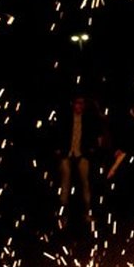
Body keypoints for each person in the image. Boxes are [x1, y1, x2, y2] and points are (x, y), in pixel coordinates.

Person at [54, 94, 102, 229]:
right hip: (67, 154)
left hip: (82, 153)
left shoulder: (88, 119)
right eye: (77, 103)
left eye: (82, 104)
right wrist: (59, 149)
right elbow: (58, 132)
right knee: (65, 186)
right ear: (73, 104)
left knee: (85, 184)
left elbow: (94, 134)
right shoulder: (66, 118)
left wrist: (91, 149)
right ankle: (63, 216)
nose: (79, 106)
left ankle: (86, 214)